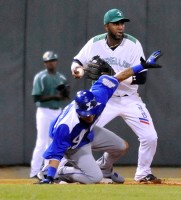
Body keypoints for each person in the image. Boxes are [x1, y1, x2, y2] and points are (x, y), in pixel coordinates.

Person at [38, 53, 162, 184]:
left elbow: (118, 77)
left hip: (88, 132)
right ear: (79, 111)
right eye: (86, 114)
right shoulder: (66, 126)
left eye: (91, 112)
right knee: (94, 178)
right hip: (73, 144)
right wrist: (50, 177)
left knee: (121, 146)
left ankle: (105, 170)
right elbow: (56, 155)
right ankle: (61, 172)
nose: (90, 116)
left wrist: (141, 66)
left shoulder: (99, 96)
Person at [71, 8, 161, 183]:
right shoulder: (94, 43)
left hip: (130, 100)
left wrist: (114, 75)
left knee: (150, 137)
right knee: (81, 132)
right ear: (106, 26)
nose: (120, 27)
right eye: (116, 23)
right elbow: (77, 62)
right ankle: (66, 169)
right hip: (103, 99)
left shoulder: (133, 44)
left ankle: (143, 173)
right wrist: (78, 70)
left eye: (122, 23)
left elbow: (141, 77)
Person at [30, 51, 70, 178]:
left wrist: (65, 93)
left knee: (54, 141)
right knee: (41, 141)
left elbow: (65, 97)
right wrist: (55, 95)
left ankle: (48, 170)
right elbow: (36, 97)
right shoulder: (40, 77)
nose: (50, 63)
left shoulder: (61, 78)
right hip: (44, 111)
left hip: (57, 111)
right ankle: (34, 172)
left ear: (56, 61)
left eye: (52, 60)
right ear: (44, 63)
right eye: (47, 61)